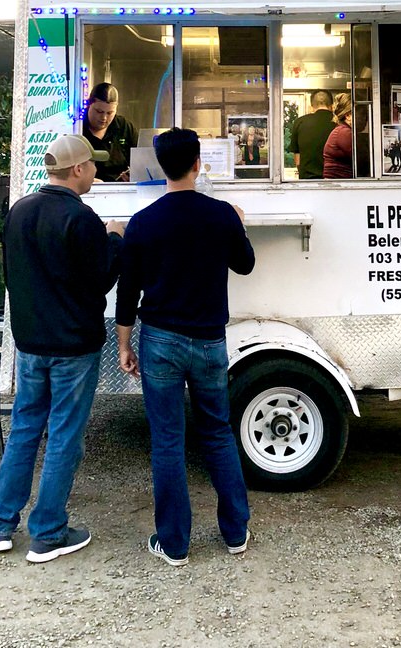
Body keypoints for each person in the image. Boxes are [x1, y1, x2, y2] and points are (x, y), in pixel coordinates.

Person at [0, 134, 125, 563]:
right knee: (64, 436)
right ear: (77, 169)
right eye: (93, 166)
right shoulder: (81, 219)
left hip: (30, 344)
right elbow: (101, 278)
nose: (97, 172)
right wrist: (114, 239)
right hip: (73, 346)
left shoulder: (19, 210)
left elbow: (11, 277)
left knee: (25, 430)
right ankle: (48, 532)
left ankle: (0, 526)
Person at [115, 127, 255, 566]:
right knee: (217, 433)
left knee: (168, 441)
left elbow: (127, 292)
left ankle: (174, 544)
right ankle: (235, 533)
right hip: (211, 340)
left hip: (160, 341)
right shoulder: (221, 215)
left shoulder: (143, 222)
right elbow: (245, 265)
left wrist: (123, 344)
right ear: (199, 164)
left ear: (159, 168)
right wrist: (239, 224)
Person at [82, 82, 137, 182]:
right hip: (86, 190)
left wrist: (134, 175)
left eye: (110, 113)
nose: (104, 118)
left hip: (120, 191)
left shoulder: (124, 127)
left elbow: (139, 163)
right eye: (99, 111)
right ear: (89, 105)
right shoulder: (77, 128)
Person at [289, 90, 336, 179]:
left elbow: (297, 159)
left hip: (308, 180)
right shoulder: (338, 122)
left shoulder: (300, 122)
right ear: (332, 106)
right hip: (333, 179)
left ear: (311, 107)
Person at [323, 93, 354, 179]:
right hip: (338, 185)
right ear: (348, 116)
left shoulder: (341, 130)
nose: (366, 118)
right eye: (362, 113)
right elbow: (362, 159)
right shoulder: (344, 132)